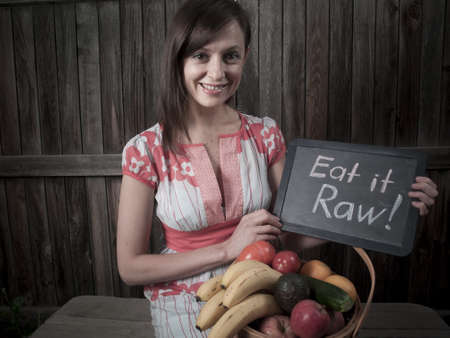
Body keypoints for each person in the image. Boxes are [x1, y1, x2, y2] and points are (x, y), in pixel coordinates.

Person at [117, 0, 438, 336]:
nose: (217, 72)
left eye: (231, 55)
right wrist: (227, 249)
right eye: (201, 55)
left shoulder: (265, 135)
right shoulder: (145, 150)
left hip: (265, 292)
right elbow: (131, 267)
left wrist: (392, 206)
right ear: (178, 57)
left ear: (246, 56)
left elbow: (293, 230)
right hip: (183, 301)